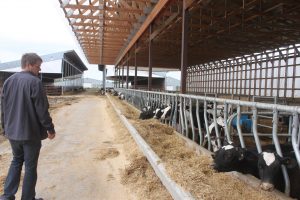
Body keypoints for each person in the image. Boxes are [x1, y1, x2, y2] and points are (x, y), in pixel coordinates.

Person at [0, 53, 56, 200]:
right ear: (29, 64)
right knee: (30, 167)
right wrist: (50, 128)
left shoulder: (8, 81)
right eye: (38, 66)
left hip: (13, 132)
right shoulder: (35, 82)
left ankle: (7, 196)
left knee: (16, 160)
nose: (39, 70)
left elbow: (3, 108)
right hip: (30, 133)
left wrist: (4, 128)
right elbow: (42, 110)